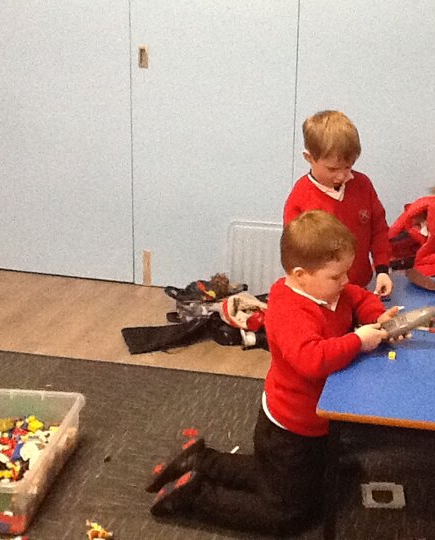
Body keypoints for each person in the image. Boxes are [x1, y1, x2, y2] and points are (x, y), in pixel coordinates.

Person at [146, 210, 403, 535]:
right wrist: (358, 340)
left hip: (312, 422)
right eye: (336, 276)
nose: (345, 281)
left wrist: (376, 317)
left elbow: (358, 296)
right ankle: (196, 495)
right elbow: (312, 359)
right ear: (300, 275)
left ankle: (201, 460)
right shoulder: (290, 311)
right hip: (290, 428)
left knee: (280, 478)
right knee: (286, 513)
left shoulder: (331, 291)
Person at [284, 110, 393, 297]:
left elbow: (379, 231)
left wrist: (382, 270)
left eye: (348, 166)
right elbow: (295, 255)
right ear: (309, 158)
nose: (341, 176)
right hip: (318, 295)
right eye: (332, 169)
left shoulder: (362, 185)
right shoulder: (301, 198)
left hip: (360, 288)